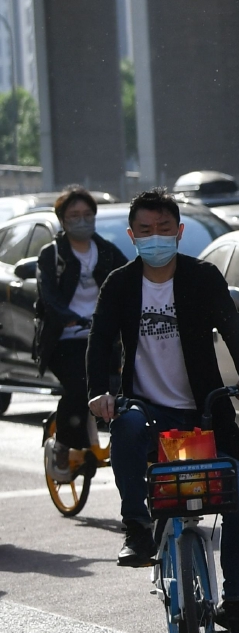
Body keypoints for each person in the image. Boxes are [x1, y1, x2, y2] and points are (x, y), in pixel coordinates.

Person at [86, 190, 239, 633]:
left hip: (205, 418)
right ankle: (137, 526)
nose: (155, 238)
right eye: (145, 231)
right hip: (148, 415)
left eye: (164, 229)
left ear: (179, 231)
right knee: (125, 424)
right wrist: (98, 393)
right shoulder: (120, 284)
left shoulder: (202, 277)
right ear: (132, 236)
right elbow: (100, 340)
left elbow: (232, 329)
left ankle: (236, 605)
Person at [35, 186, 126, 481]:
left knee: (127, 386)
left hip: (103, 338)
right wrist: (71, 319)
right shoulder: (52, 255)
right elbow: (49, 298)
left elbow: (131, 280)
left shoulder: (108, 252)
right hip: (65, 339)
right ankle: (63, 445)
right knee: (80, 386)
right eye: (74, 215)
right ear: (62, 220)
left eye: (88, 214)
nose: (82, 221)